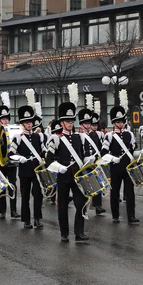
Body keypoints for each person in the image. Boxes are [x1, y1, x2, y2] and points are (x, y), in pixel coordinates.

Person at [45, 99, 89, 242]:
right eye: (67, 121)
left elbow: (84, 155)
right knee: (62, 205)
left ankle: (79, 232)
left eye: (71, 121)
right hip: (63, 176)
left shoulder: (80, 137)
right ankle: (64, 233)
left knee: (80, 203)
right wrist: (59, 167)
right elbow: (48, 161)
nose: (70, 123)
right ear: (62, 123)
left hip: (77, 176)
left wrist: (88, 160)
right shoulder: (55, 139)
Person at [102, 102, 140, 225]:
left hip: (127, 167)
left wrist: (138, 152)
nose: (120, 124)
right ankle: (115, 215)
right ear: (113, 123)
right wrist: (113, 159)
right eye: (118, 122)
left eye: (122, 121)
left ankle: (131, 215)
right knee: (115, 192)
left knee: (130, 192)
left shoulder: (129, 134)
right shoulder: (109, 136)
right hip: (115, 167)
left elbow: (133, 148)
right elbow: (104, 152)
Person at [11, 96, 44, 230]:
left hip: (37, 169)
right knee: (25, 195)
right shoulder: (17, 138)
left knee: (38, 194)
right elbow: (11, 154)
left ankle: (37, 218)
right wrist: (20, 158)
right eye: (27, 122)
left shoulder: (38, 136)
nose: (29, 124)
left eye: (30, 122)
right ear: (22, 124)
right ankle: (26, 219)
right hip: (24, 170)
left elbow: (44, 151)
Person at [0, 93, 21, 220]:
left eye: (7, 119)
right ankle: (3, 211)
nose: (6, 121)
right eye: (3, 119)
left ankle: (13, 210)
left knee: (12, 185)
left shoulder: (12, 130)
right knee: (1, 187)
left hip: (11, 162)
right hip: (0, 162)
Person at [77, 107, 105, 215]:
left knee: (97, 182)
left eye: (89, 123)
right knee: (86, 185)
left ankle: (97, 205)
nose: (88, 126)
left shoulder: (95, 135)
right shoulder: (78, 136)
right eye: (85, 123)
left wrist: (99, 158)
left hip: (94, 162)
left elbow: (100, 147)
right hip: (84, 164)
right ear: (81, 124)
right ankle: (85, 206)